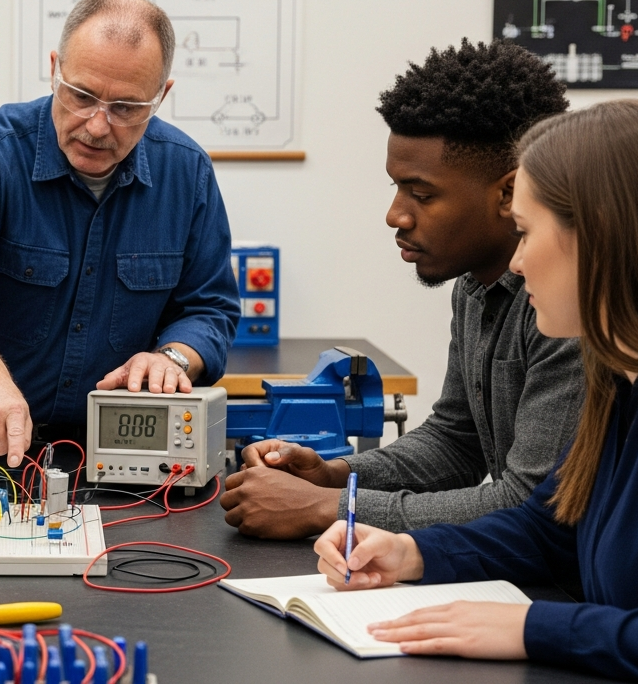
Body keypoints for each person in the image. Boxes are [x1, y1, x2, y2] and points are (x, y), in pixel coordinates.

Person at [315, 99, 638, 682]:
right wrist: (411, 554)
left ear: (600, 238)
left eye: (524, 232)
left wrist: (532, 628)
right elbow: (550, 527)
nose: (515, 262)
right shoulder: (623, 379)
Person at [221, 40, 581, 539]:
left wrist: (334, 507)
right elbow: (458, 441)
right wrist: (336, 475)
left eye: (422, 193)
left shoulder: (570, 311)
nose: (396, 215)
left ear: (507, 192)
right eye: (396, 187)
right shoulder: (476, 286)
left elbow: (532, 505)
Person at [0, 0, 241, 466]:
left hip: (116, 447)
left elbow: (209, 307)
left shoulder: (186, 173)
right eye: (82, 96)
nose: (98, 125)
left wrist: (173, 358)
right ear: (54, 69)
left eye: (126, 107)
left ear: (161, 96)